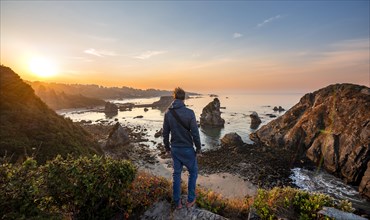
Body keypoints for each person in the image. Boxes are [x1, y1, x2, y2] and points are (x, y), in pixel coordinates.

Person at [163, 87, 201, 209]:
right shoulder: (190, 113)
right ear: (184, 98)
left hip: (175, 149)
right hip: (188, 149)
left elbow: (165, 133)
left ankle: (177, 202)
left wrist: (167, 148)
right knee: (193, 172)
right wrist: (199, 149)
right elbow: (195, 133)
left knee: (176, 175)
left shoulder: (168, 113)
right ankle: (190, 200)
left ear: (174, 97)